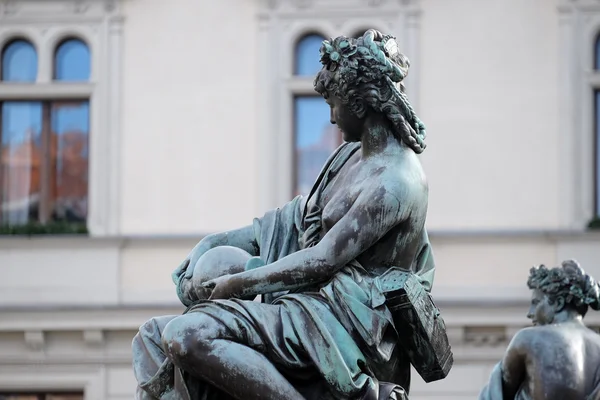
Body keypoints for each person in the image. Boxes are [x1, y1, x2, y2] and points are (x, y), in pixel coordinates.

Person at [132, 29, 437, 400]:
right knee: (152, 338)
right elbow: (291, 220)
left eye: (333, 104)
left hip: (344, 323)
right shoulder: (348, 157)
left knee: (186, 336)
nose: (330, 118)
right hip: (306, 306)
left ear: (359, 105)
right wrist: (214, 242)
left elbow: (323, 260)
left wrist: (237, 285)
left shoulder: (397, 182)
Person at [479, 260, 600, 400]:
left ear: (559, 303)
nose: (530, 313)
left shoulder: (530, 339)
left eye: (536, 303)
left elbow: (498, 394)